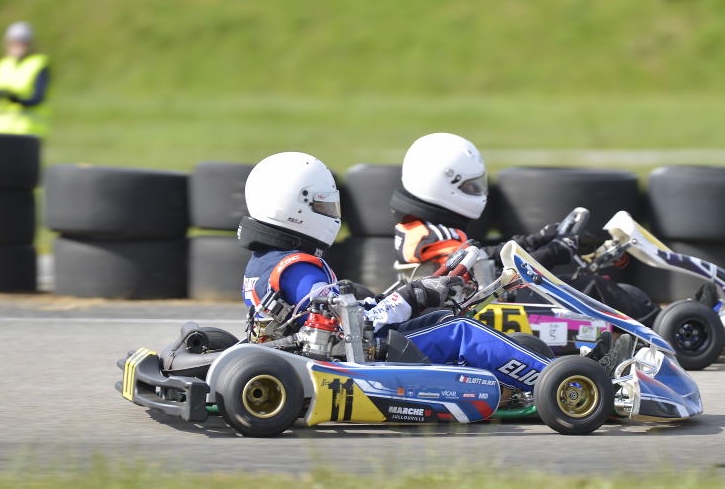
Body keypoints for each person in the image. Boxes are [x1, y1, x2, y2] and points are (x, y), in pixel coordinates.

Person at [236, 151, 622, 394]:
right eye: (322, 207)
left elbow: (338, 313)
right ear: (294, 208)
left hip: (330, 351)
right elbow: (344, 327)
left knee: (440, 318)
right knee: (460, 331)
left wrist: (396, 299)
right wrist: (411, 296)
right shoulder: (298, 267)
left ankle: (522, 379)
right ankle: (572, 385)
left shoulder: (266, 262)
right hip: (349, 360)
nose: (331, 217)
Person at [391, 132, 659, 325]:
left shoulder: (420, 228)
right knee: (591, 287)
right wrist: (554, 252)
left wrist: (535, 240)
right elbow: (498, 277)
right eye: (470, 187)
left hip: (475, 302)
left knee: (619, 293)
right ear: (442, 184)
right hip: (482, 311)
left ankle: (647, 320)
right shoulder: (434, 236)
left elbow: (481, 256)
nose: (476, 192)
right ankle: (666, 328)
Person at [0, 21, 51, 137]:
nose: (18, 46)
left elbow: (38, 97)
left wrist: (17, 100)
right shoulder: (2, 65)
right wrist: (0, 94)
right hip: (0, 129)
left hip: (27, 130)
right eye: (14, 42)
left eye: (22, 43)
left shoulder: (38, 64)